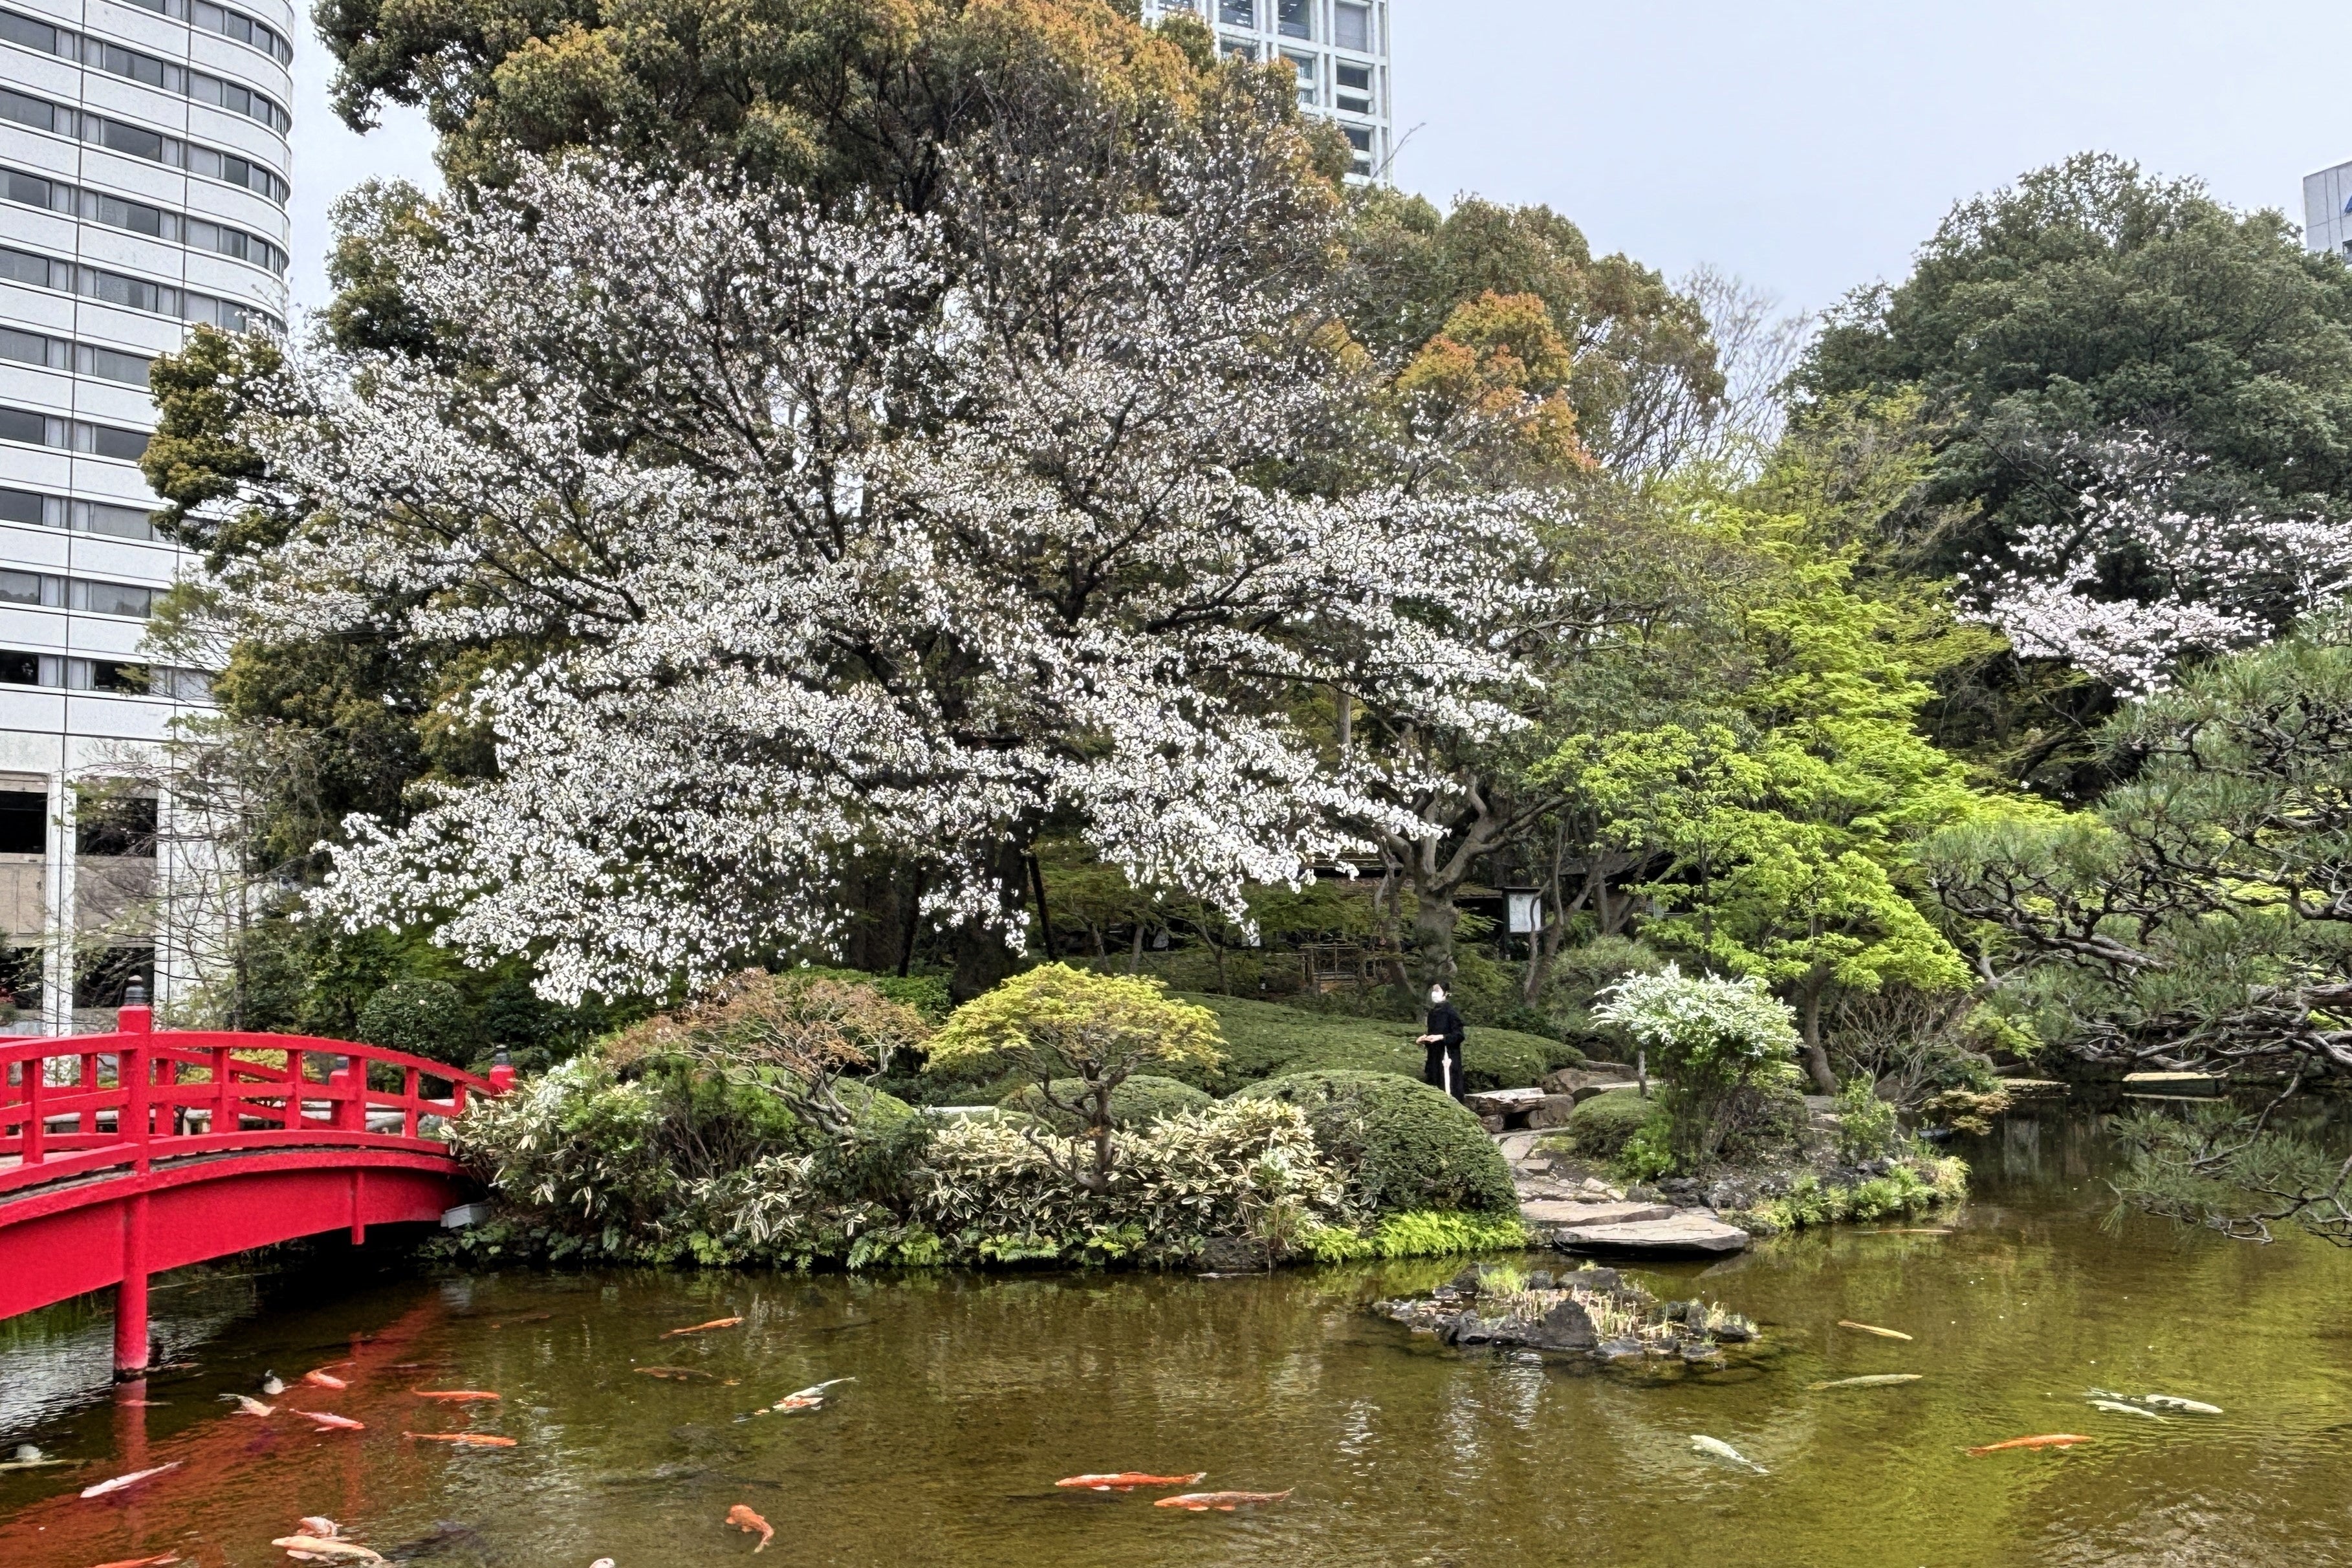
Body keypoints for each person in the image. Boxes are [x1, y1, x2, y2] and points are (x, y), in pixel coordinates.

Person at [1418, 983, 1465, 1102]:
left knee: (1449, 1088)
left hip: (1448, 1057)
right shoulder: (1433, 1013)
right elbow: (1433, 1034)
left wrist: (1442, 1037)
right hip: (1434, 1058)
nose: (1434, 993)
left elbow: (1459, 1036)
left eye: (1438, 990)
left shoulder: (1451, 1013)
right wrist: (1425, 1040)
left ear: (1446, 993)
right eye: (1433, 990)